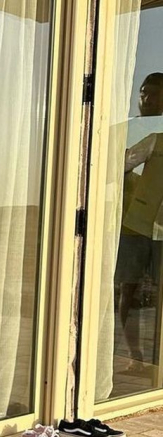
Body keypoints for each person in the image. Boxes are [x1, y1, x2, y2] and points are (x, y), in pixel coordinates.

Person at [118, 72, 163, 368]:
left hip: (160, 232)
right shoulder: (153, 138)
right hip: (136, 227)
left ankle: (157, 362)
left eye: (154, 94)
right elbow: (120, 165)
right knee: (129, 290)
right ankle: (136, 358)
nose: (146, 99)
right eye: (143, 93)